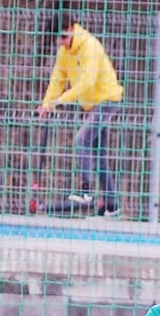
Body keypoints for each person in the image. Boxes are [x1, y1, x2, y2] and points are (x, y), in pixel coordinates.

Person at [38, 12, 124, 217]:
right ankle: (112, 205)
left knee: (82, 139)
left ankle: (85, 190)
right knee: (99, 154)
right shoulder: (64, 51)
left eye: (63, 37)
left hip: (107, 99)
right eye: (57, 38)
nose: (61, 42)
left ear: (71, 29)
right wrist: (47, 103)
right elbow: (57, 79)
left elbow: (87, 81)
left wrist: (60, 101)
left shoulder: (89, 46)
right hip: (92, 104)